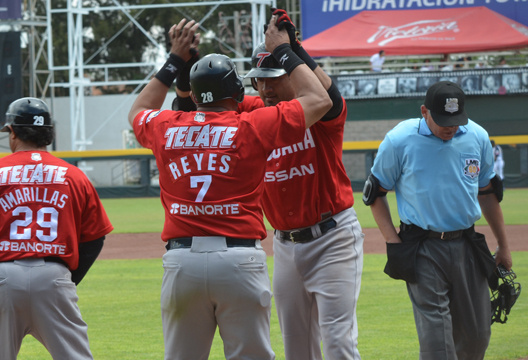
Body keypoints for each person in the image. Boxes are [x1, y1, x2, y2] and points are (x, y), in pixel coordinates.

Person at [127, 15, 331, 360]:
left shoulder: (167, 126)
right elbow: (319, 100)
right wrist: (284, 50)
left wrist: (175, 59)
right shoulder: (252, 125)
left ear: (192, 95)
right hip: (239, 260)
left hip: (181, 262)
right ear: (237, 93)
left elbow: (138, 109)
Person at [173, 9, 364, 360]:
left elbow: (330, 99)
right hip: (286, 246)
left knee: (338, 343)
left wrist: (292, 51)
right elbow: (197, 104)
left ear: (296, 76)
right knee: (296, 348)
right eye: (259, 80)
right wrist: (187, 65)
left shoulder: (319, 116)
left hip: (332, 237)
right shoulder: (255, 111)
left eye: (274, 78)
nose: (264, 87)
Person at [0, 97, 114, 360]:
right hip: (54, 277)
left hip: (1, 279)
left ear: (13, 132)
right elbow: (95, 237)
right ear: (49, 134)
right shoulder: (74, 175)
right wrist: (66, 279)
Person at [364, 81, 512, 359]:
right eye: (444, 120)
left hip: (467, 244)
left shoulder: (477, 136)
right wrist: (393, 242)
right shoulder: (399, 140)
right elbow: (375, 193)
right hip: (422, 247)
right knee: (437, 342)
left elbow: (488, 192)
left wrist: (503, 245)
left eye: (456, 120)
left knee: (478, 336)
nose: (451, 127)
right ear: (424, 111)